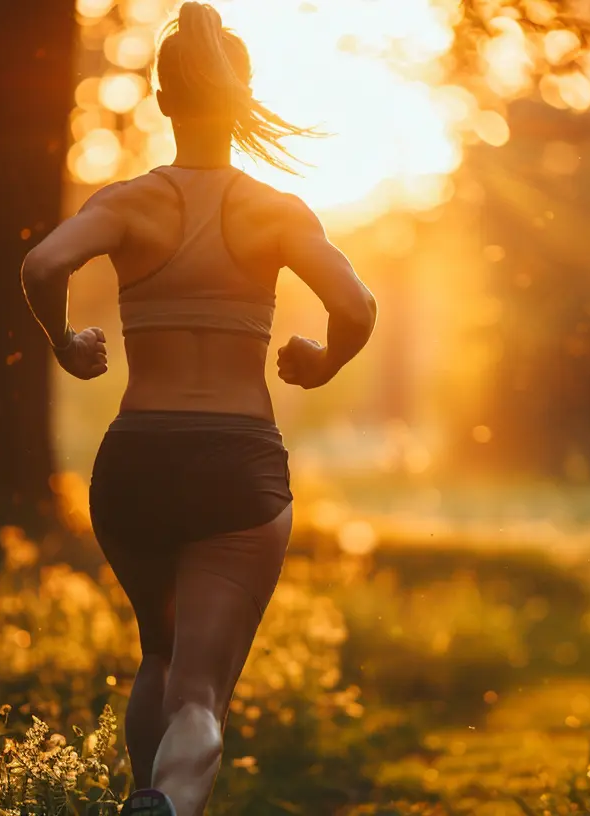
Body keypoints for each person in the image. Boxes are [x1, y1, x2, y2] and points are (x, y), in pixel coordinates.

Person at [19, 4, 377, 813]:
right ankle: (170, 807)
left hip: (136, 460)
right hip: (235, 465)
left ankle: (143, 794)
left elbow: (43, 264)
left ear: (160, 99)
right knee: (199, 693)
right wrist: (323, 363)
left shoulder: (128, 204)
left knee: (160, 655)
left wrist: (64, 343)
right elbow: (355, 305)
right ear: (242, 92)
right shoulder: (277, 212)